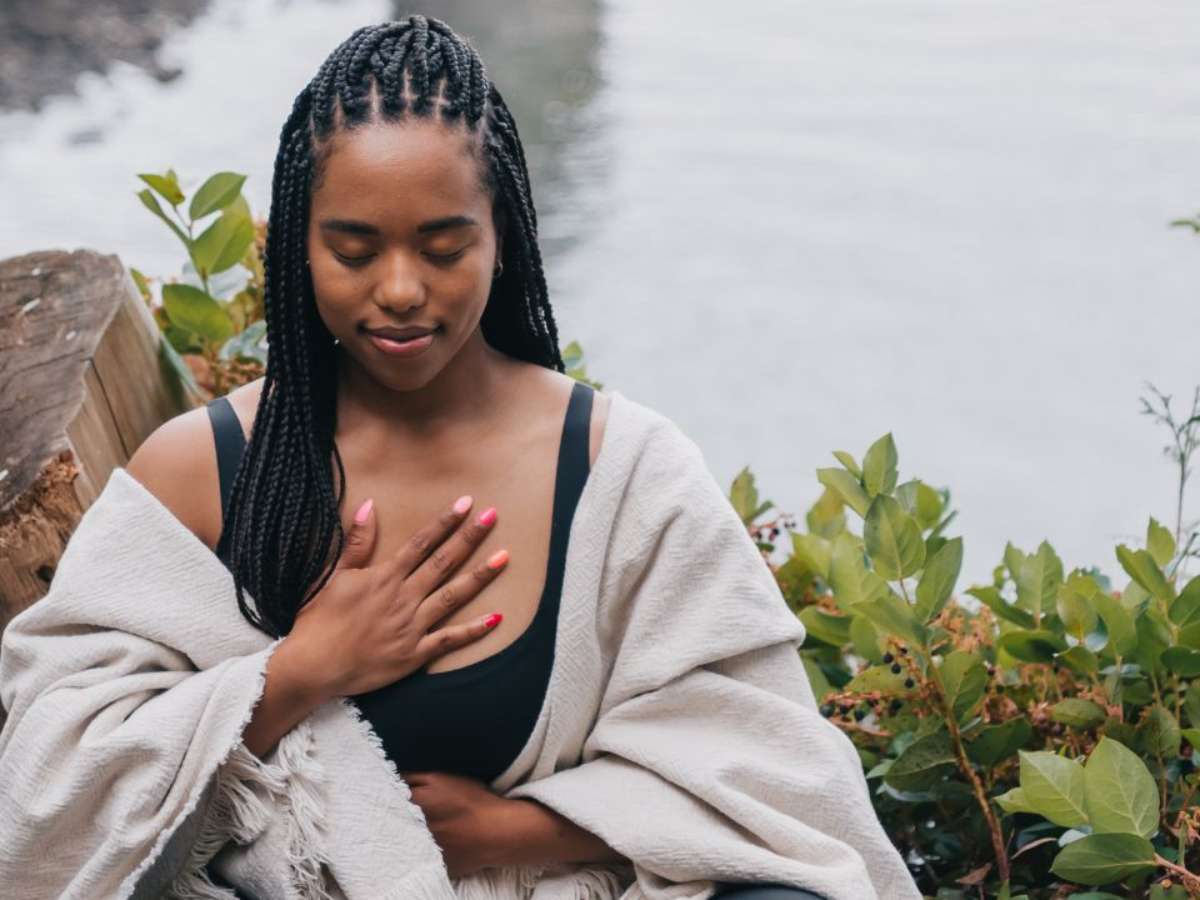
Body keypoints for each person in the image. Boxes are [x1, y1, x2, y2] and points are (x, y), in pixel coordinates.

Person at [0, 15, 920, 900]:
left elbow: (778, 784)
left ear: (503, 235)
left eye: (444, 248)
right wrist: (303, 670)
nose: (401, 290)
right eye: (353, 250)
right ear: (296, 246)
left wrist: (522, 831)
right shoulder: (202, 471)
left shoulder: (623, 472)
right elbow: (52, 789)